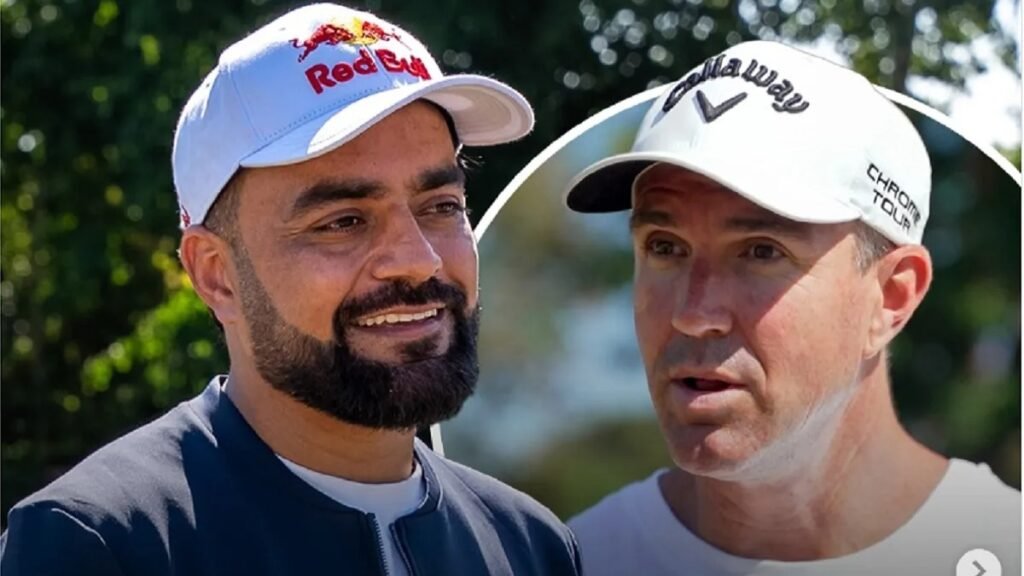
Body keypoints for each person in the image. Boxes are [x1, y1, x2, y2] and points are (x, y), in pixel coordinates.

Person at [1, 4, 581, 575]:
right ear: (216, 274)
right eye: (343, 221)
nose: (417, 260)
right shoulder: (98, 545)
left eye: (441, 206)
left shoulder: (533, 546)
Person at [563, 40, 1020, 576]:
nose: (694, 313)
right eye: (665, 246)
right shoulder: (561, 561)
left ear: (891, 298)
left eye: (761, 251)